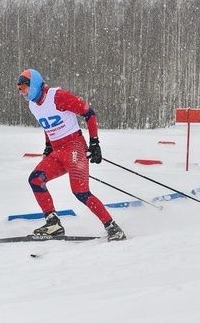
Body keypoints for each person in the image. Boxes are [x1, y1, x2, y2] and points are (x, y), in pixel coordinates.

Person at [16, 68, 126, 241]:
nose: (21, 91)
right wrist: (48, 146)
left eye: (23, 87)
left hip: (74, 147)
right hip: (58, 151)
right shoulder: (32, 105)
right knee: (35, 179)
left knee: (80, 191)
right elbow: (48, 126)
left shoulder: (57, 96)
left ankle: (113, 227)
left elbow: (89, 113)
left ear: (35, 85)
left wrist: (95, 142)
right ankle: (53, 224)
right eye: (19, 88)